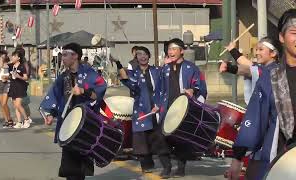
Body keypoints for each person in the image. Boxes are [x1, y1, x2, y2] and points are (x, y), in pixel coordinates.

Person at [226, 9, 296, 180]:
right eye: (294, 33)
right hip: (281, 160)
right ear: (281, 37)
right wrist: (238, 157)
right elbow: (255, 119)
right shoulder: (272, 77)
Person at [39, 43, 107, 180]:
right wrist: (50, 114)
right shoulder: (63, 76)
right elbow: (55, 95)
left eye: (65, 55)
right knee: (69, 162)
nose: (62, 58)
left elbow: (100, 91)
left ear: (75, 56)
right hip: (67, 124)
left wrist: (83, 91)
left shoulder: (89, 73)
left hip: (85, 124)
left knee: (79, 163)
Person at [113, 46, 172, 178]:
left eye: (145, 54)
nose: (142, 56)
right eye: (139, 54)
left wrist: (160, 105)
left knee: (160, 140)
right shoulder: (134, 73)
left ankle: (167, 167)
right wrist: (118, 63)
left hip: (157, 110)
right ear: (136, 57)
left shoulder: (157, 70)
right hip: (141, 111)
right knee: (141, 141)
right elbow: (127, 80)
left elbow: (165, 85)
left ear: (149, 55)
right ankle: (147, 166)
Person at [160, 38, 207, 177]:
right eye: (169, 49)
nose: (171, 52)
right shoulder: (164, 68)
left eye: (174, 49)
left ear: (181, 51)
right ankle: (166, 167)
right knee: (161, 138)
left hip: (183, 109)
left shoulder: (191, 68)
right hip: (166, 107)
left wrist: (193, 90)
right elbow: (157, 87)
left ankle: (180, 168)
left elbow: (200, 86)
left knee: (182, 140)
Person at [219, 37, 282, 104]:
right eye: (256, 49)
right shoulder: (263, 68)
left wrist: (229, 67)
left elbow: (249, 68)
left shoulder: (274, 70)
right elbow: (250, 68)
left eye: (261, 49)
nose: (257, 53)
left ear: (273, 53)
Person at [7, 50, 30, 128]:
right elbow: (10, 76)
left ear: (18, 58)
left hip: (20, 87)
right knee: (15, 105)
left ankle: (26, 119)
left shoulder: (22, 66)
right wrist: (7, 77)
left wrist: (19, 76)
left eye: (14, 56)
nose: (12, 57)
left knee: (18, 104)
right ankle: (19, 122)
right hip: (13, 87)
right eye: (12, 56)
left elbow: (26, 77)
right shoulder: (11, 66)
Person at [0, 50, 13, 128]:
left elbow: (12, 75)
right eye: (0, 57)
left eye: (3, 57)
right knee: (2, 105)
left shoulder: (9, 66)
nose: (1, 58)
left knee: (4, 103)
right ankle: (7, 120)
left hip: (7, 84)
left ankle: (10, 119)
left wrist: (7, 77)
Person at [15, 45, 33, 124]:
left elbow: (27, 73)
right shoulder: (19, 62)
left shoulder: (24, 63)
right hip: (17, 83)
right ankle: (23, 118)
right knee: (20, 102)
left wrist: (21, 75)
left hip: (23, 83)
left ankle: (27, 117)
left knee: (23, 102)